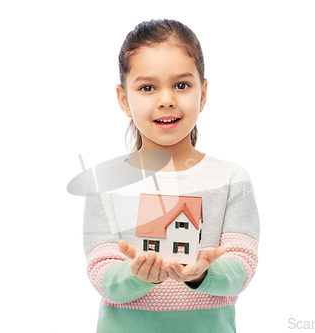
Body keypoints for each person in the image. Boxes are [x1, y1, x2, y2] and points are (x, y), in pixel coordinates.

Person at [83, 19, 260, 332]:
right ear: (124, 99)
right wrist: (135, 274)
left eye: (181, 85)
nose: (166, 99)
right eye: (147, 87)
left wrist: (204, 273)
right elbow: (102, 275)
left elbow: (242, 266)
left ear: (203, 93)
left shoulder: (231, 179)